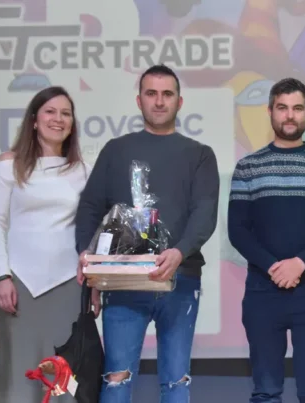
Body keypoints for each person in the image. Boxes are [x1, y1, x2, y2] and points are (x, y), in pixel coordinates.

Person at [74, 64, 220, 403]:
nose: (159, 101)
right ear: (139, 101)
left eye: (167, 94)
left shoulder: (199, 155)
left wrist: (180, 251)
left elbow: (205, 212)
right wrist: (87, 256)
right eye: (151, 94)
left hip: (180, 279)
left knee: (176, 381)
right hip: (122, 282)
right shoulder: (115, 150)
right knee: (116, 380)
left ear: (179, 102)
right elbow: (90, 207)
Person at [227, 77, 305, 403]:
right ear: (270, 112)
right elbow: (237, 231)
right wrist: (273, 267)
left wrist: (300, 263)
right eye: (282, 108)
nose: (290, 116)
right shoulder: (248, 167)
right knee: (265, 392)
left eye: (297, 108)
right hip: (262, 293)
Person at [0, 86, 95, 402]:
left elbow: (90, 232)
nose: (57, 119)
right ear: (34, 119)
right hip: (19, 285)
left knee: (64, 378)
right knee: (19, 376)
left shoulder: (84, 171)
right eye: (50, 111)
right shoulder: (9, 163)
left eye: (65, 113)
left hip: (69, 285)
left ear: (72, 123)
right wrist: (1, 276)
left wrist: (96, 284)